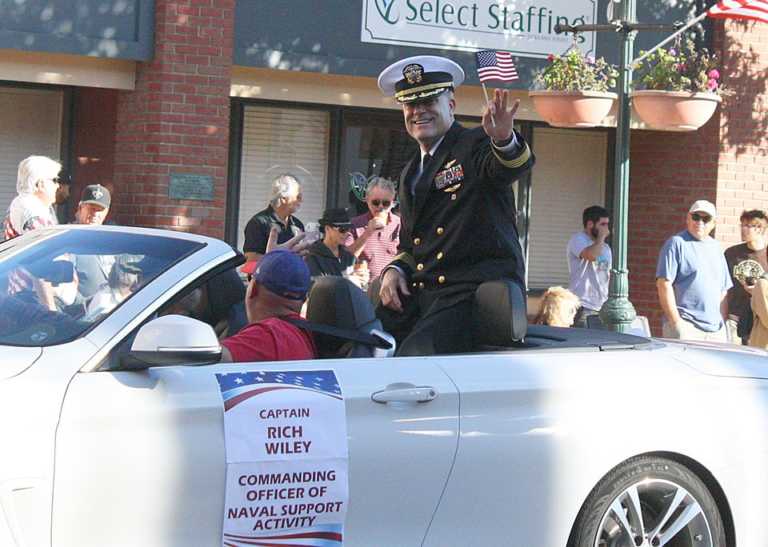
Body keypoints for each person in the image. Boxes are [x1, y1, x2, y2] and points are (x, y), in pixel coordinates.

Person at [375, 55, 535, 354]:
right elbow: (411, 245)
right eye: (411, 104)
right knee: (359, 343)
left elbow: (510, 167)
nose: (419, 111)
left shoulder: (476, 143)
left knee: (414, 358)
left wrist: (503, 139)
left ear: (450, 105)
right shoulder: (411, 170)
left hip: (472, 295)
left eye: (429, 102)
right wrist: (393, 272)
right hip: (425, 295)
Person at [220, 249, 317, 362]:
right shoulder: (304, 332)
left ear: (254, 289)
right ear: (303, 299)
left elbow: (206, 359)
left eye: (250, 278)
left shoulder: (267, 335)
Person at [656, 200, 732, 342]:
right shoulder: (676, 243)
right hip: (687, 325)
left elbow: (723, 291)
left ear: (714, 223)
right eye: (696, 217)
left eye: (706, 219)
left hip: (716, 330)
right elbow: (663, 284)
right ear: (688, 218)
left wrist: (721, 322)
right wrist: (676, 323)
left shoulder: (716, 247)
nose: (700, 222)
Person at [724, 209, 768, 344]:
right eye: (742, 225)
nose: (742, 229)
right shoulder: (731, 253)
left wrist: (757, 291)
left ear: (760, 229)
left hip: (759, 320)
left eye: (747, 226)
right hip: (734, 317)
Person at [346, 177, 401, 280]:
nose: (380, 207)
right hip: (364, 289)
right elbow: (346, 258)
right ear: (367, 200)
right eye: (375, 202)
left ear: (392, 202)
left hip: (392, 288)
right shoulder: (355, 224)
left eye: (386, 203)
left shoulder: (400, 225)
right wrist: (367, 233)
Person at [567, 205, 612, 328]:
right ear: (590, 224)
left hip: (601, 307)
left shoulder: (605, 248)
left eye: (607, 224)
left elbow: (606, 273)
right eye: (602, 224)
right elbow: (590, 255)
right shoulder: (578, 239)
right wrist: (601, 237)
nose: (606, 229)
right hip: (582, 305)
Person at [242, 174, 305, 262]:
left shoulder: (298, 225)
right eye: (298, 197)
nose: (301, 200)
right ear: (283, 198)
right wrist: (280, 256)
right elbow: (250, 260)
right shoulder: (258, 223)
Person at [3, 155, 62, 240]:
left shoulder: (24, 204)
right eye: (54, 180)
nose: (57, 186)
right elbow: (47, 246)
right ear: (40, 184)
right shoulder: (33, 211)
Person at [72, 185, 114, 299]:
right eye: (91, 208)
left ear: (107, 212)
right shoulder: (68, 240)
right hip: (79, 312)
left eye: (100, 210)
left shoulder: (111, 242)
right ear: (80, 208)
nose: (95, 213)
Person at [305, 207, 357, 279]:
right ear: (327, 228)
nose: (347, 233)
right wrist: (348, 280)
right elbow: (317, 286)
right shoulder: (313, 256)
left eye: (348, 229)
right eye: (342, 229)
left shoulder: (350, 257)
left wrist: (362, 279)